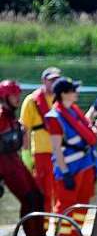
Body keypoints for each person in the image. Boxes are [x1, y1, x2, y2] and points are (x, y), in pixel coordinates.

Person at [44, 78, 97, 236]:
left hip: (86, 164)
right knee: (66, 204)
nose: (77, 93)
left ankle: (75, 235)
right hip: (69, 168)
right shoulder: (54, 116)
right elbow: (56, 148)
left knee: (83, 202)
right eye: (73, 90)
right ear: (64, 94)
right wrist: (65, 172)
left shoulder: (74, 111)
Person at [0, 80, 45, 236]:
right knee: (30, 198)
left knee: (37, 197)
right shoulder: (1, 117)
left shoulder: (13, 119)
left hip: (14, 161)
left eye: (18, 95)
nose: (18, 98)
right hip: (4, 164)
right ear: (5, 97)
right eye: (14, 95)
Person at [20, 67, 62, 219]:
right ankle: (41, 228)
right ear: (44, 81)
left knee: (61, 192)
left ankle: (59, 226)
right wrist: (26, 156)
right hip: (40, 154)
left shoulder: (63, 99)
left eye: (57, 80)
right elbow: (24, 130)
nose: (54, 83)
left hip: (61, 154)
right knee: (42, 193)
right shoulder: (31, 101)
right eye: (51, 80)